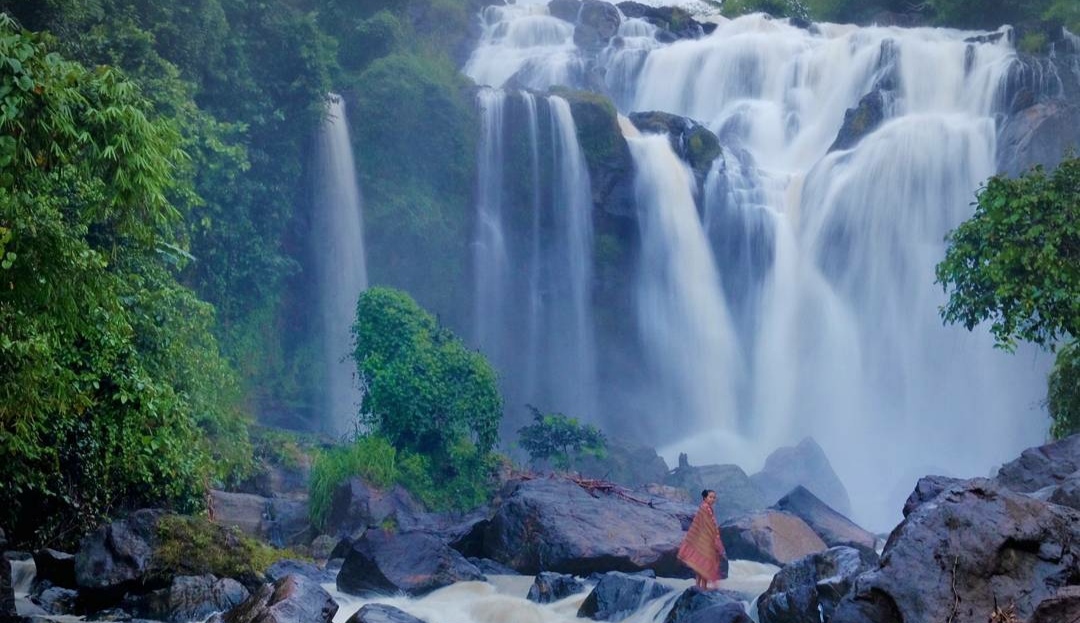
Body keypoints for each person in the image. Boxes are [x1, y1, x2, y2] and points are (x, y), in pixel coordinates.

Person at [677, 489, 727, 589]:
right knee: (705, 562)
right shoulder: (705, 508)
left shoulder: (704, 508)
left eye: (714, 497)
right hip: (705, 539)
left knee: (701, 563)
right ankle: (703, 587)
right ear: (705, 498)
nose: (712, 499)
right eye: (710, 497)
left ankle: (698, 585)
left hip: (702, 538)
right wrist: (715, 537)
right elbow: (708, 525)